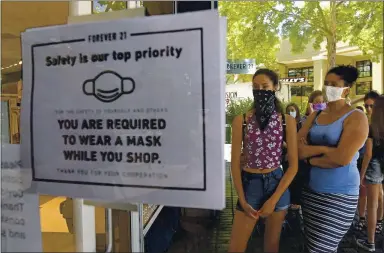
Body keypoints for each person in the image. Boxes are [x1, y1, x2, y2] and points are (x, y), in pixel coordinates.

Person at [297, 65, 368, 253]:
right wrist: (325, 149)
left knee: (321, 248)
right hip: (311, 191)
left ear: (346, 89)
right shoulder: (316, 115)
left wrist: (310, 157)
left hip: (340, 195)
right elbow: (297, 150)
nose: (328, 88)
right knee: (312, 246)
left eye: (334, 84)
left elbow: (342, 158)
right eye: (326, 83)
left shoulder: (356, 117)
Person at [229, 69, 298, 253]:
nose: (260, 91)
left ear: (275, 87)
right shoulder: (241, 121)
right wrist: (242, 200)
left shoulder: (286, 121)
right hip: (250, 182)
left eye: (265, 86)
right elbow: (235, 163)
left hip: (277, 182)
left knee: (272, 246)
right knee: (236, 248)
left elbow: (293, 165)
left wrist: (274, 199)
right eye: (256, 87)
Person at [356, 96, 384, 252]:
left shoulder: (373, 126)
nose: (369, 108)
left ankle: (370, 242)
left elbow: (367, 154)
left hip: (374, 165)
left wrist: (362, 174)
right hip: (382, 164)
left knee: (372, 205)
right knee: (380, 197)